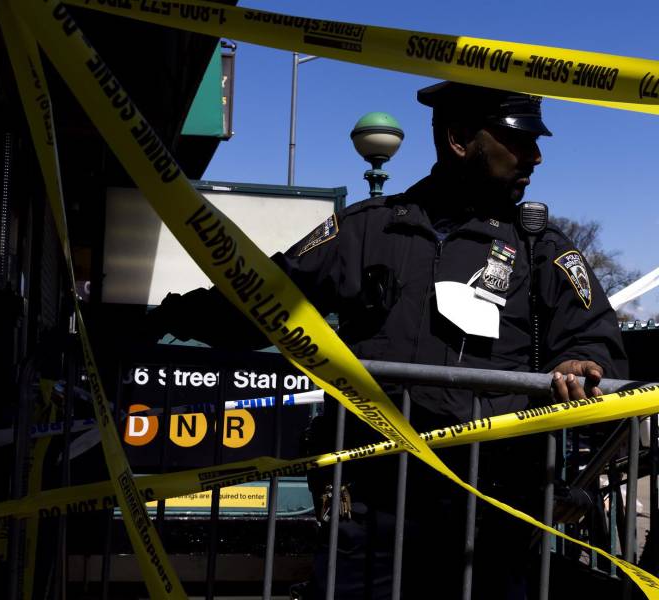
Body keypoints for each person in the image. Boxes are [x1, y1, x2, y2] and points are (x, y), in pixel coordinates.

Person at [150, 81, 627, 599]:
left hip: (492, 507)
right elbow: (262, 299)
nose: (535, 155)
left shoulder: (541, 248)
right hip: (375, 500)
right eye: (518, 139)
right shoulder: (365, 230)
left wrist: (583, 362)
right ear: (461, 139)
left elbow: (593, 336)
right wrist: (158, 319)